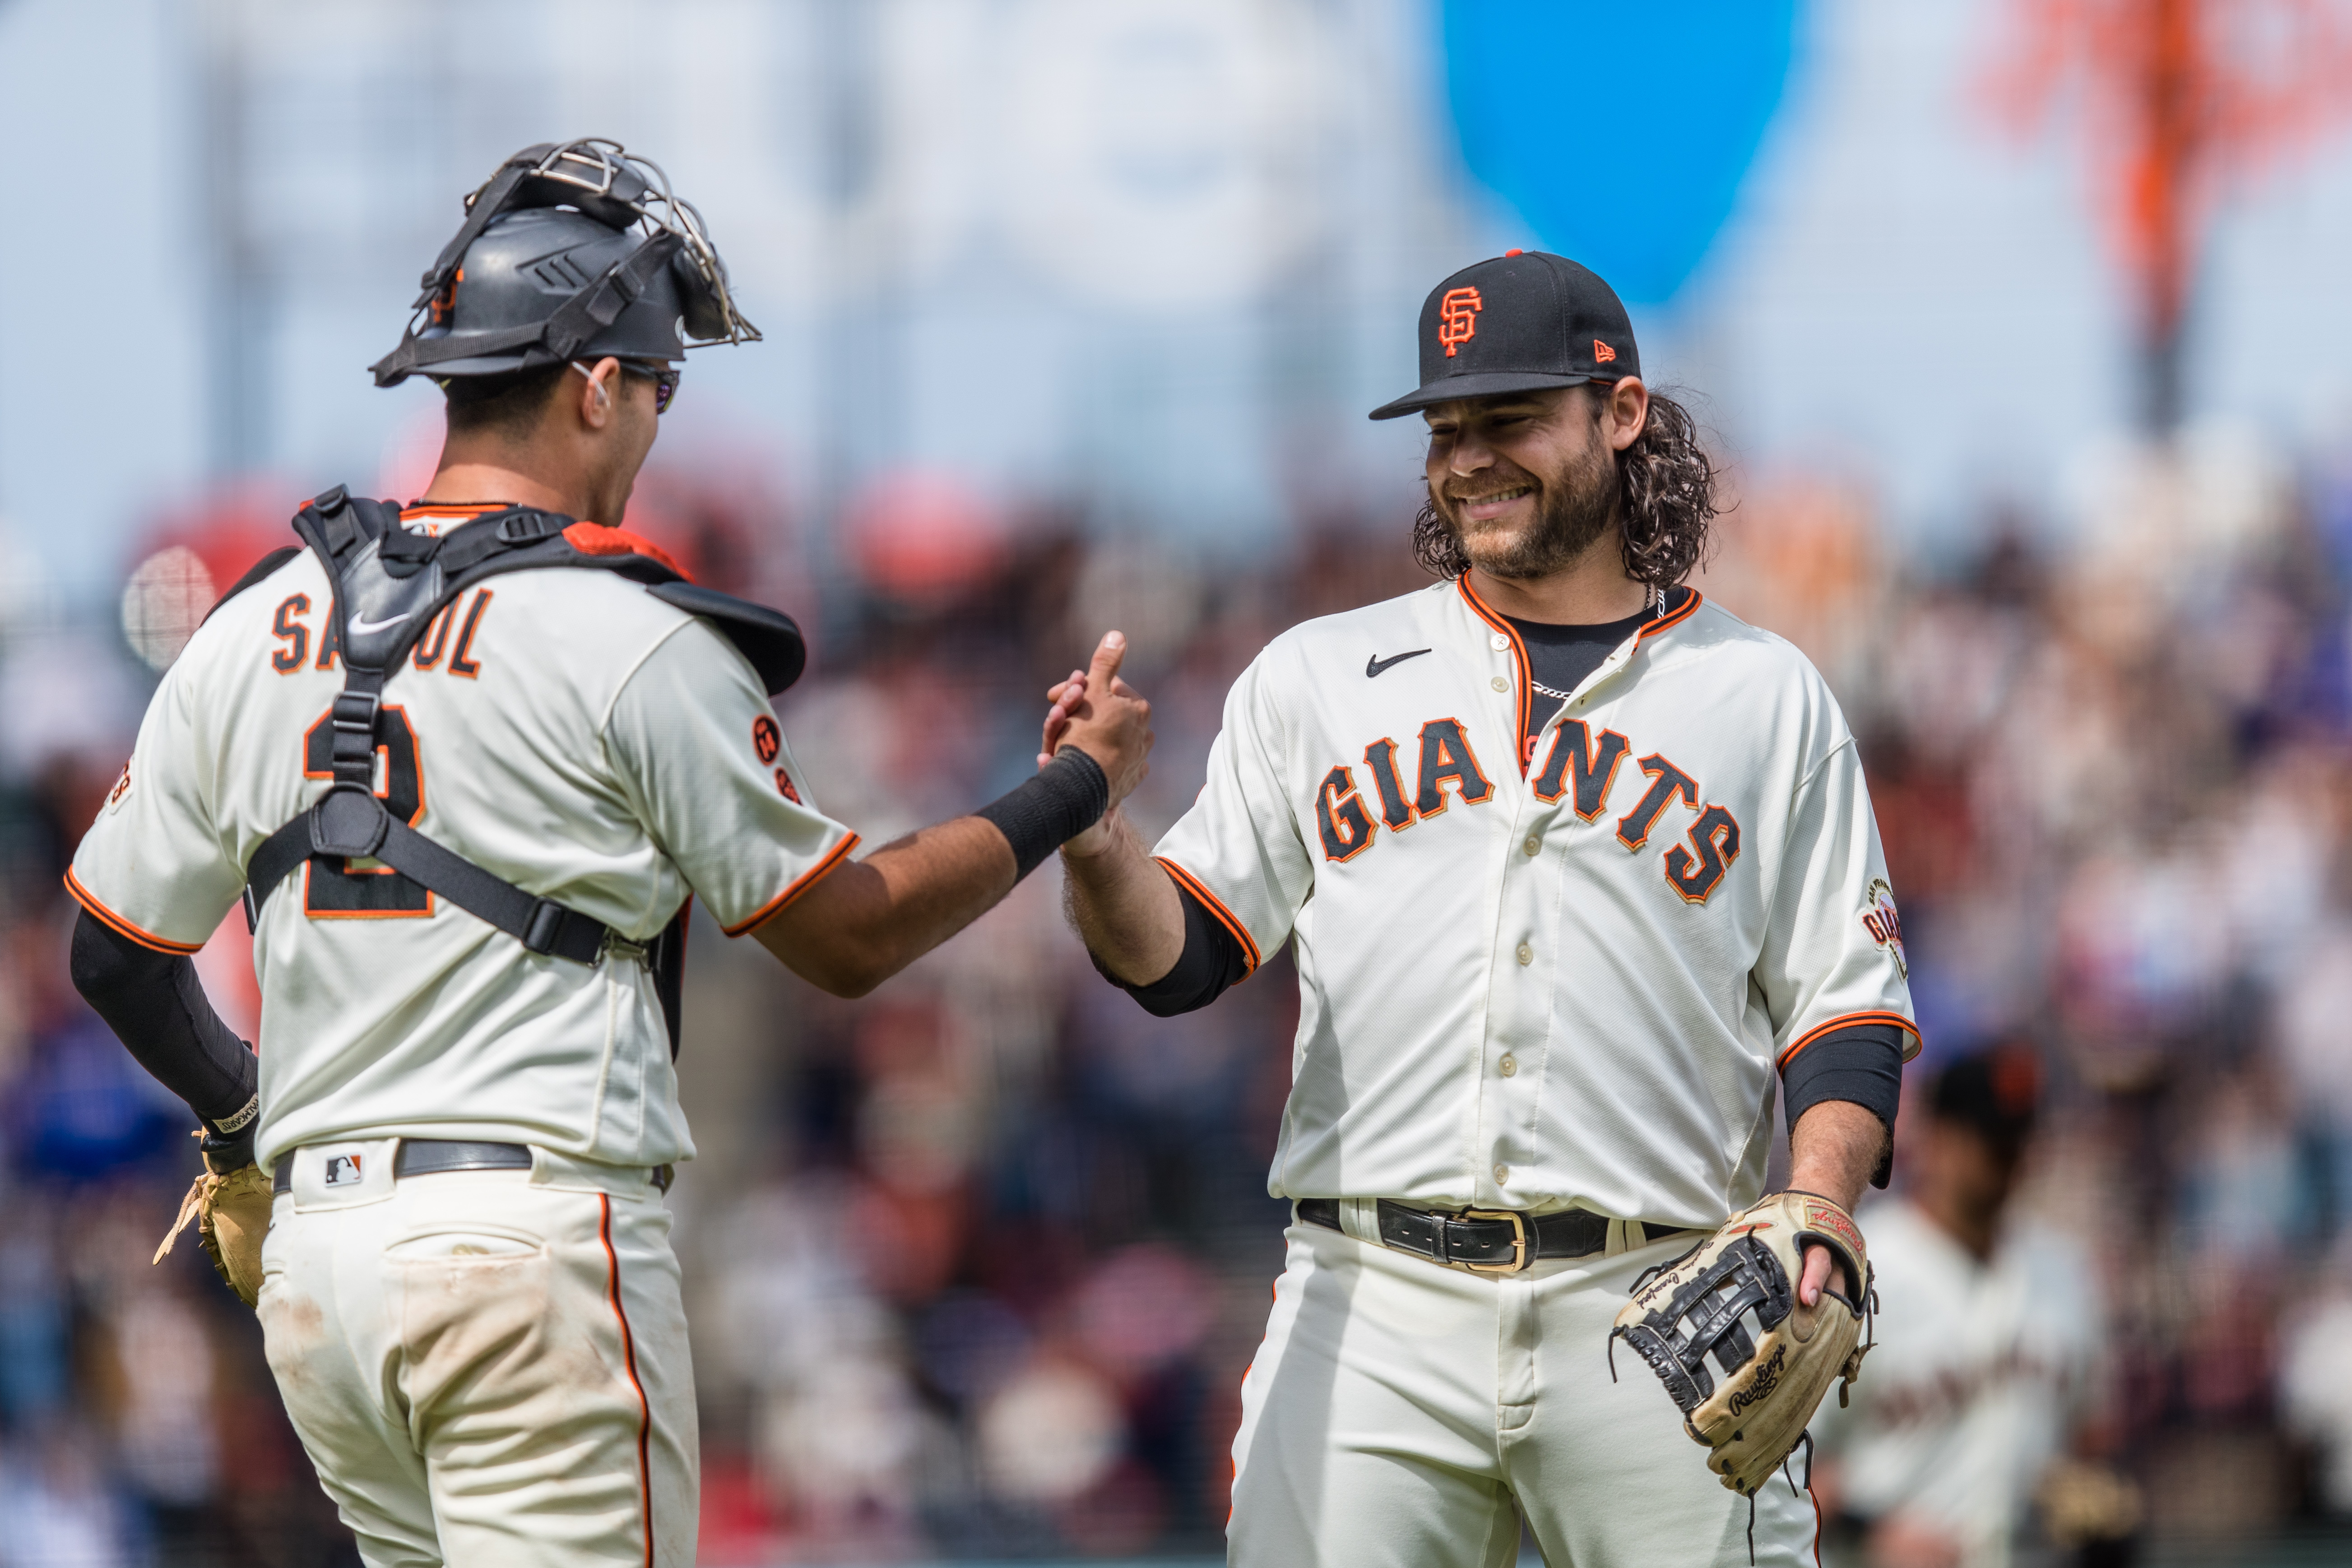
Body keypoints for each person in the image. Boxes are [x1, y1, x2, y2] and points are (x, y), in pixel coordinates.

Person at [63, 139, 1151, 1568]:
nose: (654, 425)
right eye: (657, 386)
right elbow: (848, 935)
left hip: (325, 1276)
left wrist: (241, 1130)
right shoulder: (633, 635)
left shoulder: (252, 621)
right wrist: (1071, 790)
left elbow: (113, 954)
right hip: (529, 1258)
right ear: (591, 384)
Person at [1048, 250, 1917, 1566]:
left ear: (1620, 414)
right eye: (1445, 430)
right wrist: (1095, 833)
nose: (1469, 460)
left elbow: (1846, 1011)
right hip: (1370, 1304)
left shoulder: (1764, 695)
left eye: (1510, 420)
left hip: (1660, 1308)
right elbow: (1177, 956)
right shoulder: (1321, 677)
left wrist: (1821, 1204)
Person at [1810, 1048, 2124, 1568]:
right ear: (1936, 1137)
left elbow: (2091, 1446)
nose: (2011, 1160)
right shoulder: (1859, 1272)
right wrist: (1869, 1531)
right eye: (1992, 1142)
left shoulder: (2064, 1273)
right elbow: (1777, 1471)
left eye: (2020, 1140)